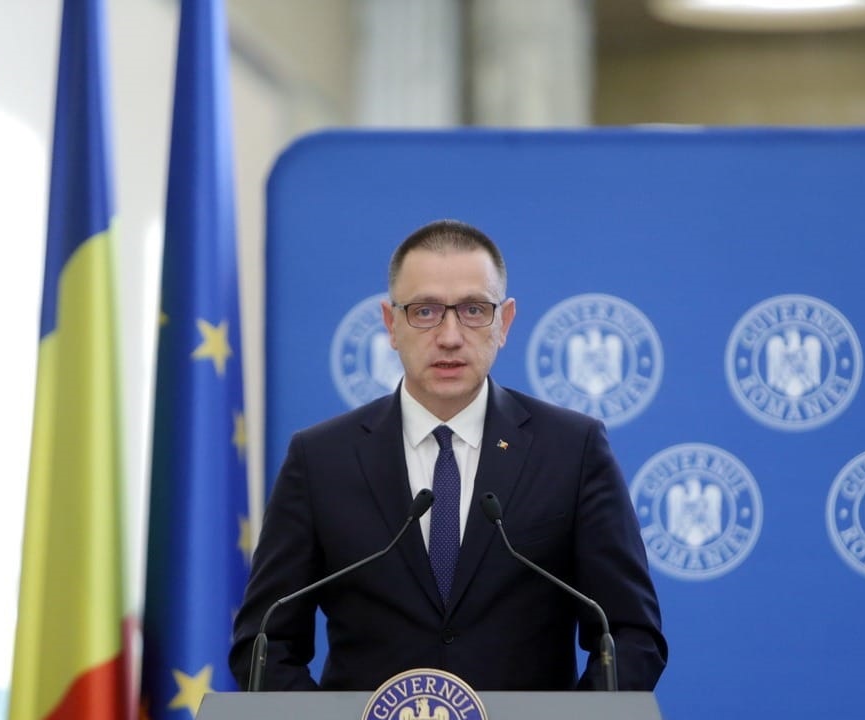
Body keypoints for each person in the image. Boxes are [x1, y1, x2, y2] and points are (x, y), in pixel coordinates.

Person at [229, 219, 667, 691]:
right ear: (391, 324)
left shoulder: (572, 450)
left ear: (505, 322)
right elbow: (264, 644)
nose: (450, 336)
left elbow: (629, 636)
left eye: (474, 310)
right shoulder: (320, 459)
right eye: (425, 311)